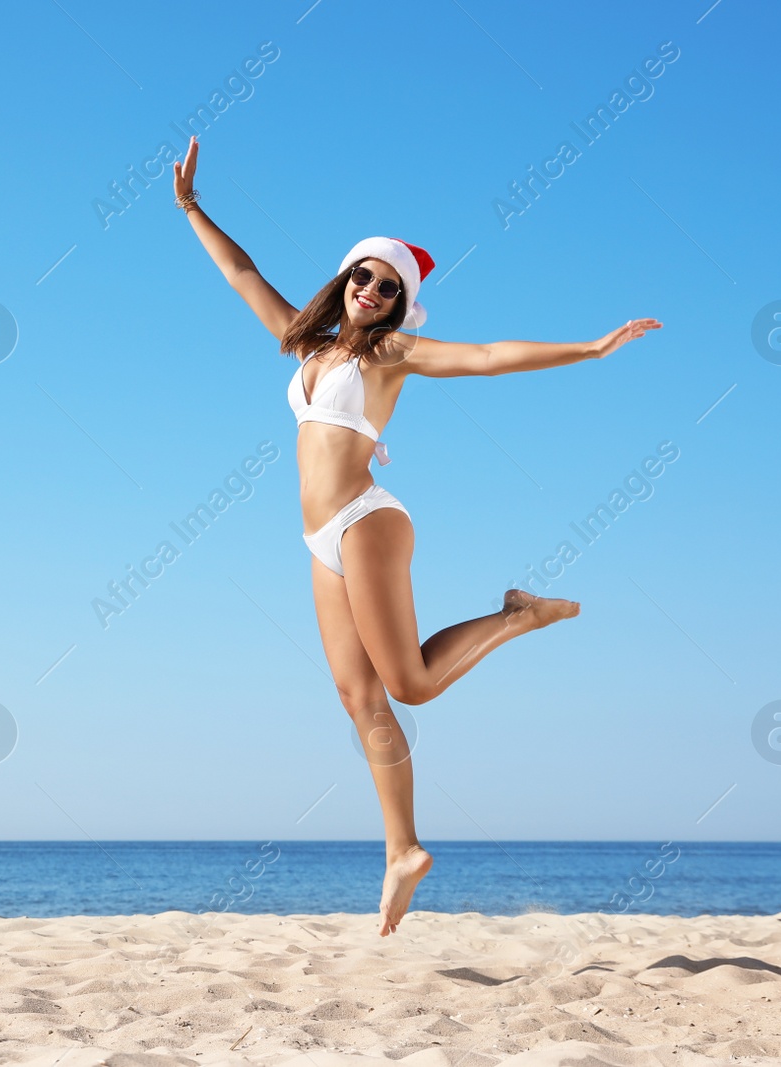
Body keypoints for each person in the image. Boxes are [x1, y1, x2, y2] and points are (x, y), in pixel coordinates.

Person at [173, 136, 661, 936]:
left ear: (400, 304)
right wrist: (194, 208)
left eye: (387, 285)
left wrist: (591, 347)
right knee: (357, 694)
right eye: (363, 274)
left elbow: (485, 355)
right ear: (346, 279)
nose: (370, 289)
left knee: (411, 685)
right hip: (318, 539)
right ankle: (401, 850)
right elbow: (241, 275)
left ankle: (518, 614)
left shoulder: (389, 353)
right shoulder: (306, 343)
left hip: (367, 521)